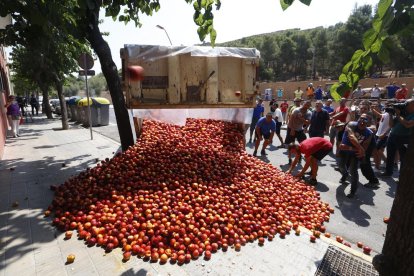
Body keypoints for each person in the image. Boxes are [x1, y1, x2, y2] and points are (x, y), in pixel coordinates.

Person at [338, 113, 373, 198]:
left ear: (368, 122)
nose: (362, 121)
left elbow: (364, 147)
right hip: (345, 151)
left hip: (354, 153)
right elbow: (351, 137)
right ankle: (345, 175)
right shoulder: (351, 124)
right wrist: (360, 148)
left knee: (353, 171)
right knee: (341, 166)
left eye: (365, 119)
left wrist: (355, 149)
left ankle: (353, 191)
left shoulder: (369, 133)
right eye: (361, 118)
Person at [381, 99, 414, 177]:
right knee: (390, 155)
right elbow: (391, 125)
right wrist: (390, 115)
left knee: (403, 158)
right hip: (393, 136)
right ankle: (388, 172)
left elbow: (408, 125)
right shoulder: (402, 113)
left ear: (412, 105)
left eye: (407, 104)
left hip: (404, 138)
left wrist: (398, 115)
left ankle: (402, 176)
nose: (405, 105)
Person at [372, 104, 391, 171]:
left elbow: (391, 126)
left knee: (378, 150)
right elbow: (379, 115)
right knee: (377, 150)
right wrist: (373, 109)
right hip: (378, 134)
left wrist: (385, 134)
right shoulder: (385, 113)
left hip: (384, 135)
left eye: (388, 105)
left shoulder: (391, 115)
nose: (386, 106)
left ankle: (384, 164)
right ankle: (381, 164)